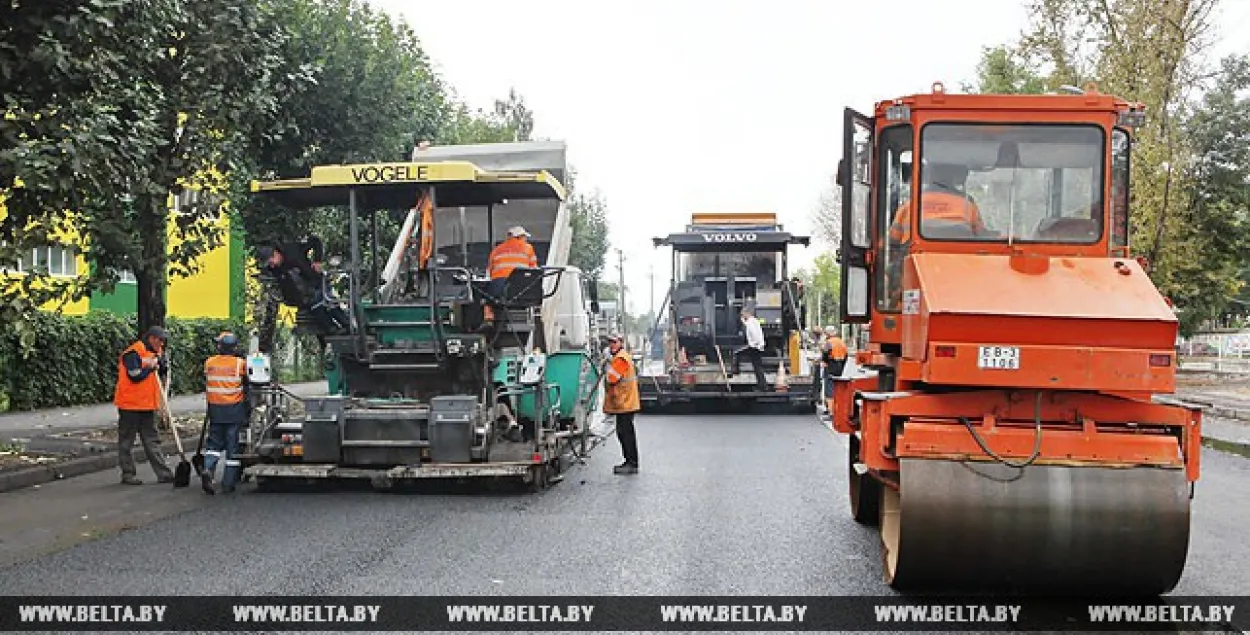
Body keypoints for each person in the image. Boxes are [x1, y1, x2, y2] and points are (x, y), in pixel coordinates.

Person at [113, 326, 175, 485]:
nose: (162, 344)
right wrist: (151, 367)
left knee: (152, 440)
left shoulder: (156, 353)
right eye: (160, 340)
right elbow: (135, 375)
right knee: (127, 441)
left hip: (148, 405)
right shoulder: (132, 353)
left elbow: (161, 373)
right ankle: (128, 474)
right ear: (151, 338)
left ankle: (164, 474)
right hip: (130, 405)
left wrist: (162, 366)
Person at [256, 238, 349, 335]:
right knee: (317, 310)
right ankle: (334, 330)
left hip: (316, 284)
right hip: (305, 297)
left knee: (328, 303)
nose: (272, 266)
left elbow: (315, 241)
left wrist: (317, 260)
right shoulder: (275, 269)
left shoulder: (292, 250)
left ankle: (348, 326)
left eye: (271, 262)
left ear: (275, 253)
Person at [200, 332, 250, 495]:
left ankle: (208, 469)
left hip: (215, 409)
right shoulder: (239, 364)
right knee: (232, 447)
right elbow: (249, 380)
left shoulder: (209, 362)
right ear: (235, 348)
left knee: (213, 444)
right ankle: (228, 484)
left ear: (220, 346)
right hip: (234, 409)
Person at [889, 163, 986, 243]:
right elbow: (980, 236)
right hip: (960, 260)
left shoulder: (909, 204)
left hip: (914, 258)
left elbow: (894, 240)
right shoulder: (967, 204)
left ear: (930, 175)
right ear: (952, 176)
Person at [602, 333, 641, 475]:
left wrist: (607, 363)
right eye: (610, 342)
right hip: (623, 402)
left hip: (625, 402)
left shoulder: (621, 359)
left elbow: (612, 378)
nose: (611, 345)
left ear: (621, 343)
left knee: (626, 433)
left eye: (614, 342)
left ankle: (632, 463)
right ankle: (629, 461)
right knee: (622, 432)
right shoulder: (619, 357)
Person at [484, 226, 539, 301]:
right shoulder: (528, 248)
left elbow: (489, 272)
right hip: (521, 289)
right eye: (524, 237)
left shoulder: (496, 250)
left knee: (487, 301)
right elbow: (534, 270)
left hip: (498, 288)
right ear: (520, 237)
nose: (526, 239)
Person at [731, 309, 768, 391]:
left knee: (736, 353)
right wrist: (743, 321)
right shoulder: (753, 321)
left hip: (754, 347)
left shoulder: (751, 323)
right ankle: (763, 386)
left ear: (747, 313)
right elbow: (748, 325)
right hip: (758, 346)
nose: (742, 316)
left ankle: (735, 371)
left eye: (743, 314)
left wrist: (754, 344)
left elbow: (754, 333)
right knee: (758, 367)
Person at [822, 326, 849, 399]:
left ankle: (830, 404)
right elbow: (846, 355)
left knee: (829, 385)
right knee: (837, 384)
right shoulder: (841, 342)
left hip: (830, 365)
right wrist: (842, 367)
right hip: (839, 366)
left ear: (828, 334)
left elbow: (825, 353)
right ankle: (837, 401)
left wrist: (824, 362)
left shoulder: (829, 342)